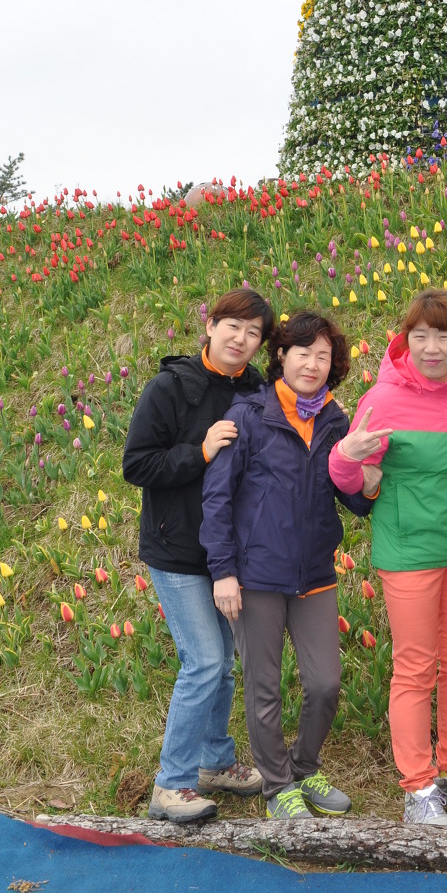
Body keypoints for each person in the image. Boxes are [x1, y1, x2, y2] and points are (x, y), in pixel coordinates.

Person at [328, 291, 447, 827]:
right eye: (420, 336)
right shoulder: (383, 399)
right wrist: (344, 457)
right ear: (405, 340)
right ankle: (419, 786)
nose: (432, 347)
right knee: (416, 667)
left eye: (444, 335)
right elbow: (348, 477)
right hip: (410, 551)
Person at [200, 311, 375, 821]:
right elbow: (217, 498)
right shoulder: (249, 414)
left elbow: (353, 499)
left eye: (323, 356)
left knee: (325, 684)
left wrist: (366, 477)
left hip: (314, 573)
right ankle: (278, 787)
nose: (313, 365)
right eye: (303, 353)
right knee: (265, 688)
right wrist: (223, 571)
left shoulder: (336, 421)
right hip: (256, 575)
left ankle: (303, 767)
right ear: (281, 355)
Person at [123, 287, 272, 824]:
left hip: (227, 552)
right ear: (210, 325)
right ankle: (172, 784)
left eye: (254, 333)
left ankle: (214, 761)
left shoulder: (256, 389)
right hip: (177, 548)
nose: (241, 339)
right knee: (204, 661)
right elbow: (137, 464)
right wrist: (201, 452)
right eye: (233, 326)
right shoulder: (170, 387)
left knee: (223, 665)